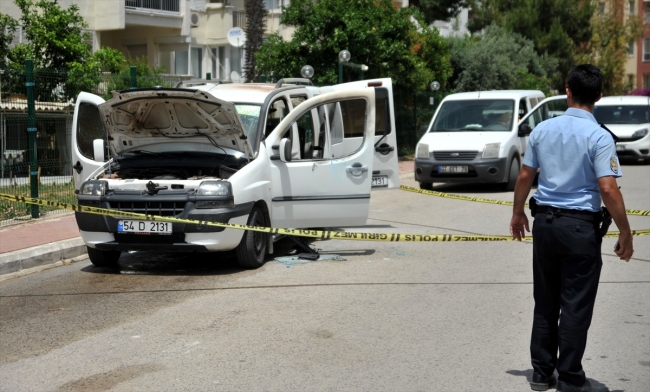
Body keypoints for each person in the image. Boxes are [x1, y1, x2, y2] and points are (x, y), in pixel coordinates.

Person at [509, 64, 634, 392]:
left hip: (546, 226)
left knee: (546, 299)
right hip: (580, 229)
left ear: (567, 90)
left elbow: (525, 176)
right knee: (575, 304)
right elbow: (607, 188)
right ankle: (570, 378)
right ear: (600, 96)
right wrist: (625, 231)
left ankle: (540, 372)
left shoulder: (543, 130)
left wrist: (517, 213)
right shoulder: (599, 136)